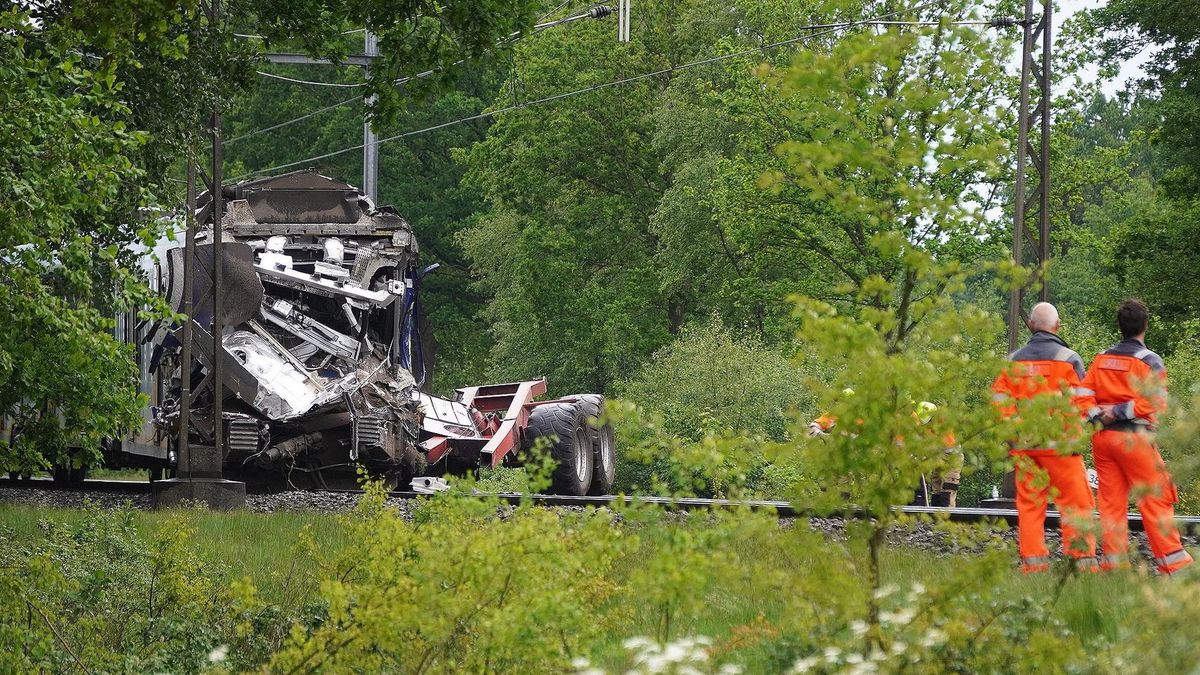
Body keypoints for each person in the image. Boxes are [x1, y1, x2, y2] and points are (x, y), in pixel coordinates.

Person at [1078, 299, 1193, 574]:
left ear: (1120, 326)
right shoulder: (1150, 361)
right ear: (1145, 325)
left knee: (1111, 504)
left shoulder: (1102, 359)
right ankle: (1176, 567)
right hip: (1135, 441)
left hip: (1103, 441)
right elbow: (1156, 403)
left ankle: (1114, 568)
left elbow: (1081, 396)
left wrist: (1099, 415)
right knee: (1155, 499)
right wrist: (1119, 411)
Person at [991, 302, 1098, 573]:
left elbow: (999, 401)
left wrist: (1014, 432)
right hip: (1062, 450)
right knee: (1076, 506)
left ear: (1030, 326)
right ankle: (1081, 564)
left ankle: (1034, 566)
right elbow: (1083, 405)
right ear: (1057, 326)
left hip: (1026, 450)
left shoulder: (1012, 361)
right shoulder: (1068, 359)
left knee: (1029, 507)